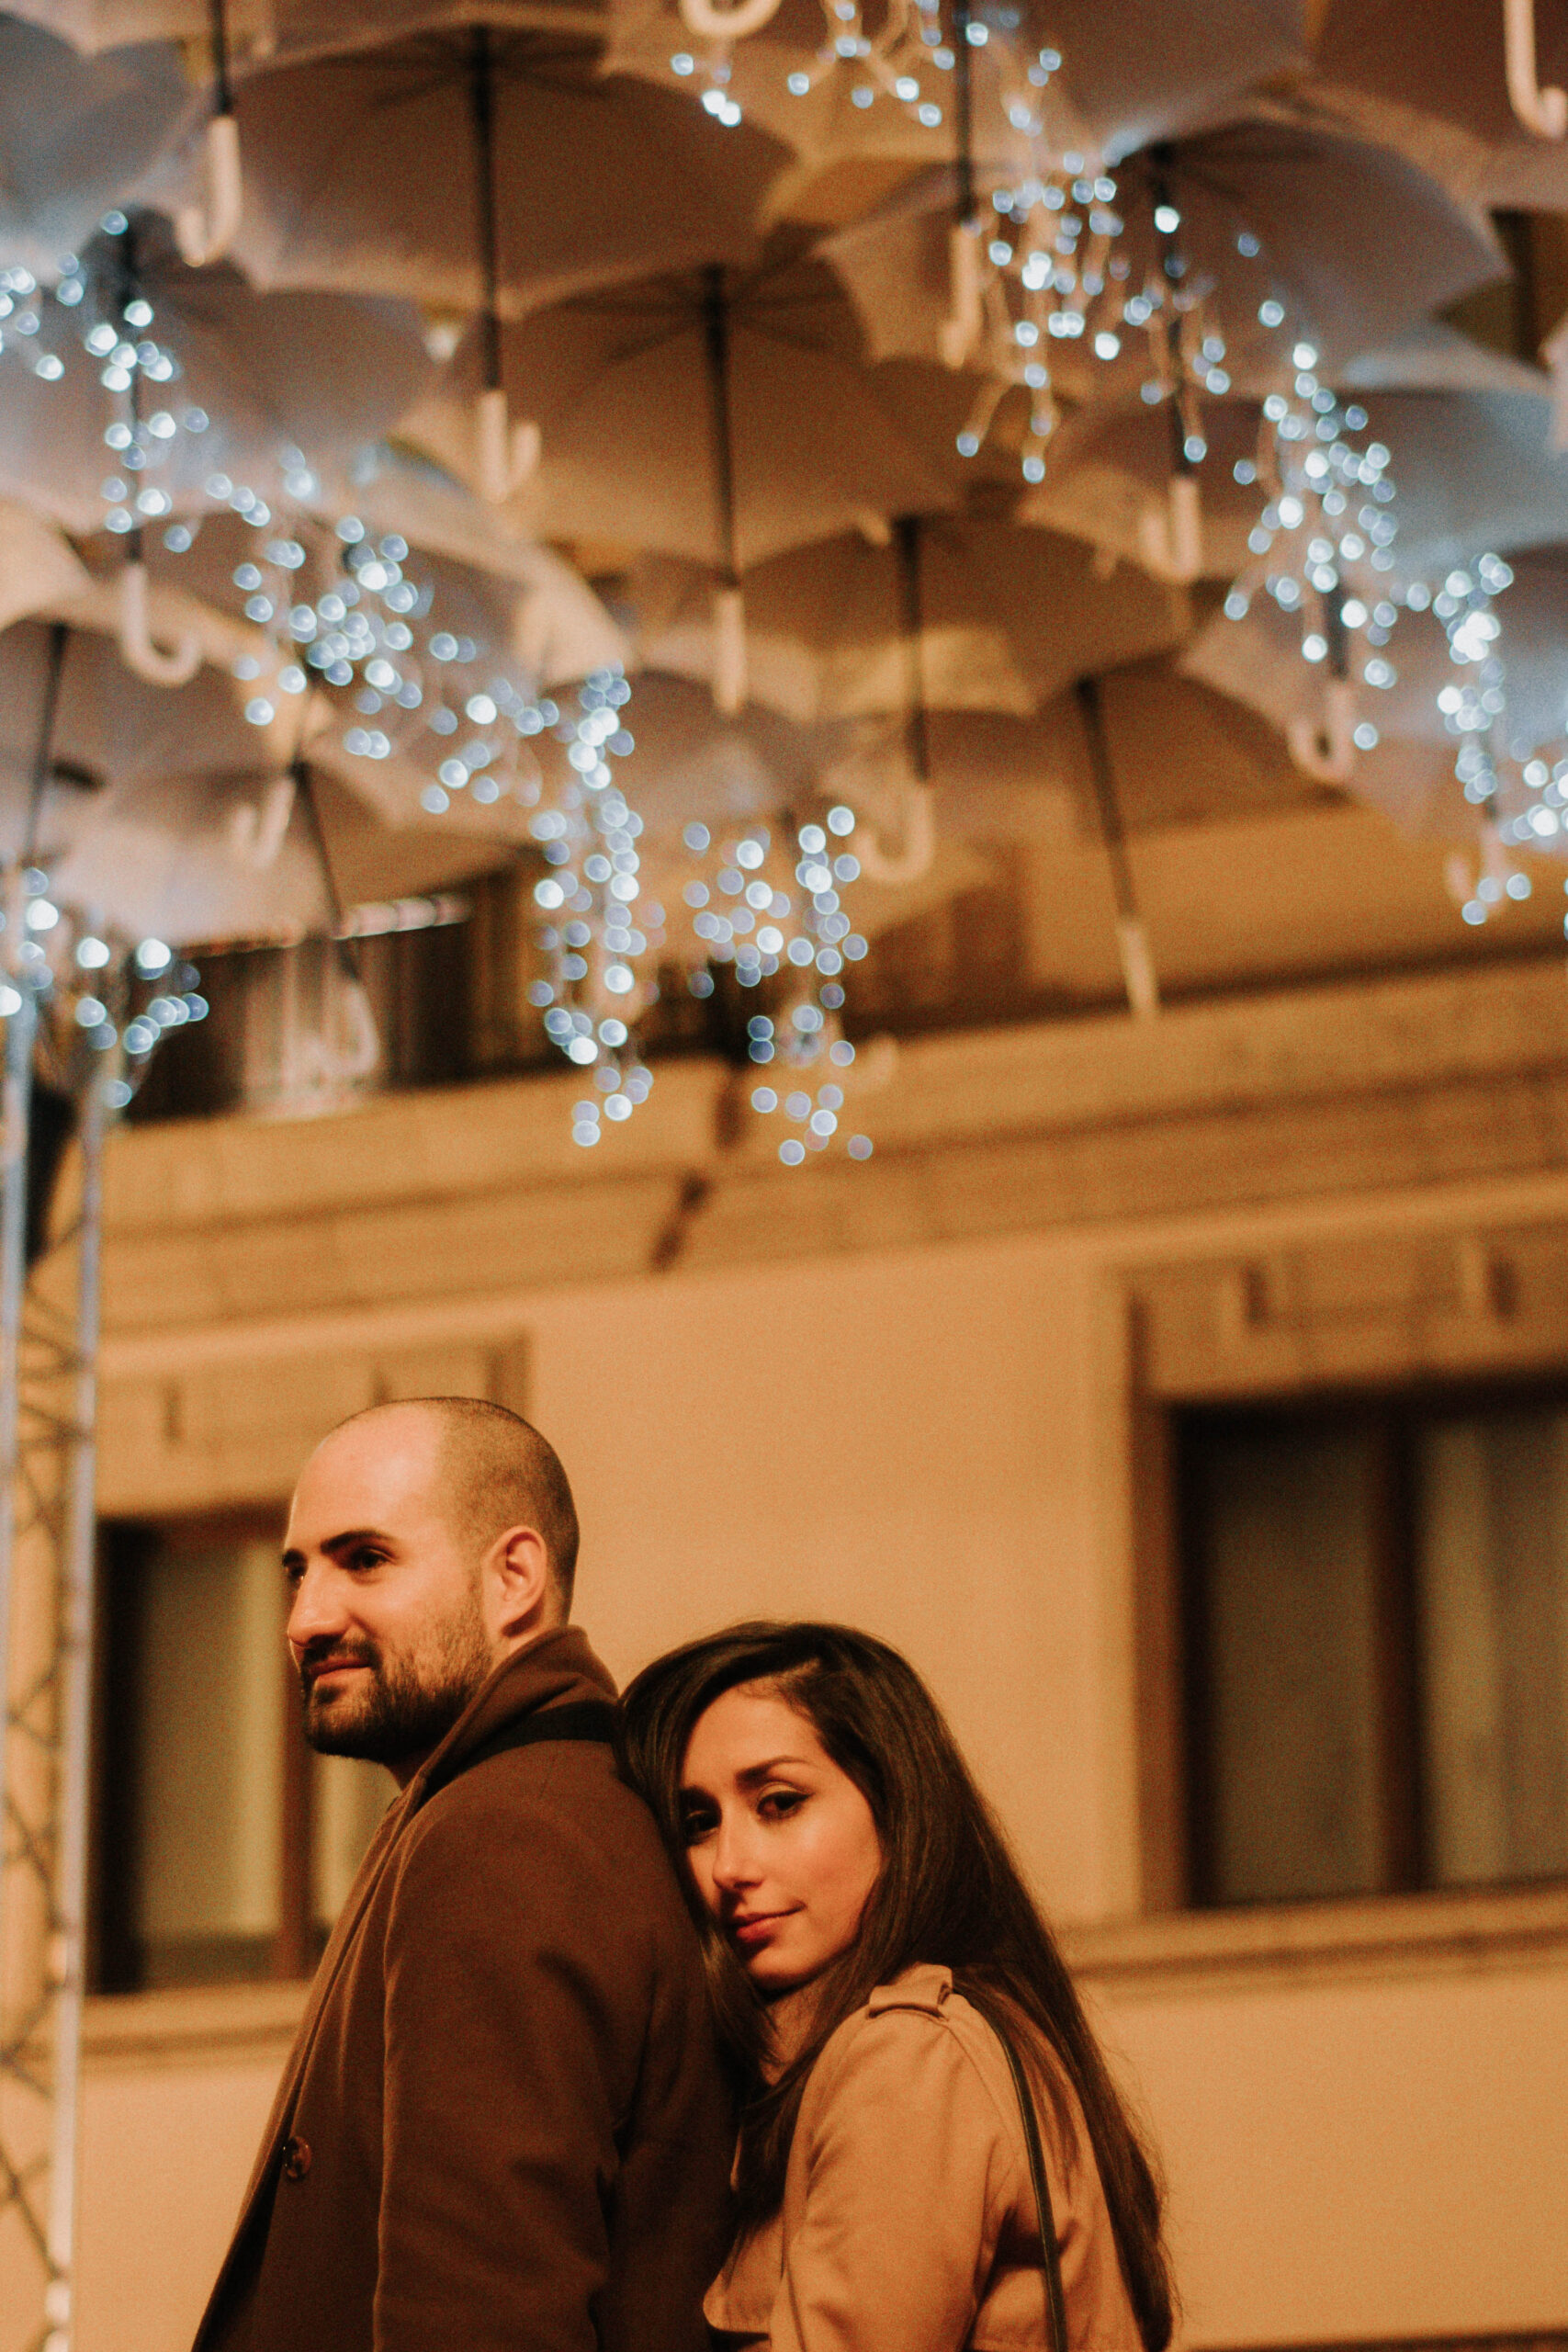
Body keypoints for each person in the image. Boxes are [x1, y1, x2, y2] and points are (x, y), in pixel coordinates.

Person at [193, 1396, 733, 2352]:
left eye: (366, 1559)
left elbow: (483, 2313)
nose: (305, 1618)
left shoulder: (507, 1828)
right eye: (297, 1571)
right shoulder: (516, 1799)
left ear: (513, 1576)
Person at [618, 1621, 1175, 2352]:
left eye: (778, 1803)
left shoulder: (908, 2058)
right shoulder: (863, 2051)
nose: (729, 1866)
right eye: (697, 1822)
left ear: (895, 1807)